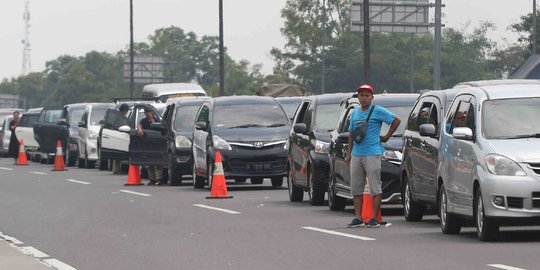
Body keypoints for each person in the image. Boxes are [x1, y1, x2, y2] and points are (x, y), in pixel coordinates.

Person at [346, 84, 401, 228]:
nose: (363, 98)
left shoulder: (378, 111)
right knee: (356, 187)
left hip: (372, 153)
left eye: (366, 95)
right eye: (361, 95)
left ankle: (374, 218)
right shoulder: (355, 113)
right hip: (357, 154)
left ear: (372, 97)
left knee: (375, 187)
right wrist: (349, 154)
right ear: (358, 97)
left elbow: (396, 120)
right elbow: (351, 134)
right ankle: (358, 218)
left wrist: (387, 136)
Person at [137, 106, 164, 185]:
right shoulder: (143, 121)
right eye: (147, 112)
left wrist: (152, 119)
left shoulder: (156, 120)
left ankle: (159, 178)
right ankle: (152, 178)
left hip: (156, 143)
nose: (148, 114)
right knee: (149, 162)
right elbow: (139, 125)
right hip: (147, 144)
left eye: (150, 112)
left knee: (157, 162)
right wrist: (140, 129)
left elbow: (158, 127)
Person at [112, 103, 130, 174]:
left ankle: (117, 169)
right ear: (124, 110)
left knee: (118, 153)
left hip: (120, 135)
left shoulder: (120, 116)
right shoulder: (119, 117)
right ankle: (116, 169)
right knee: (117, 154)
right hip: (118, 135)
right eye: (126, 110)